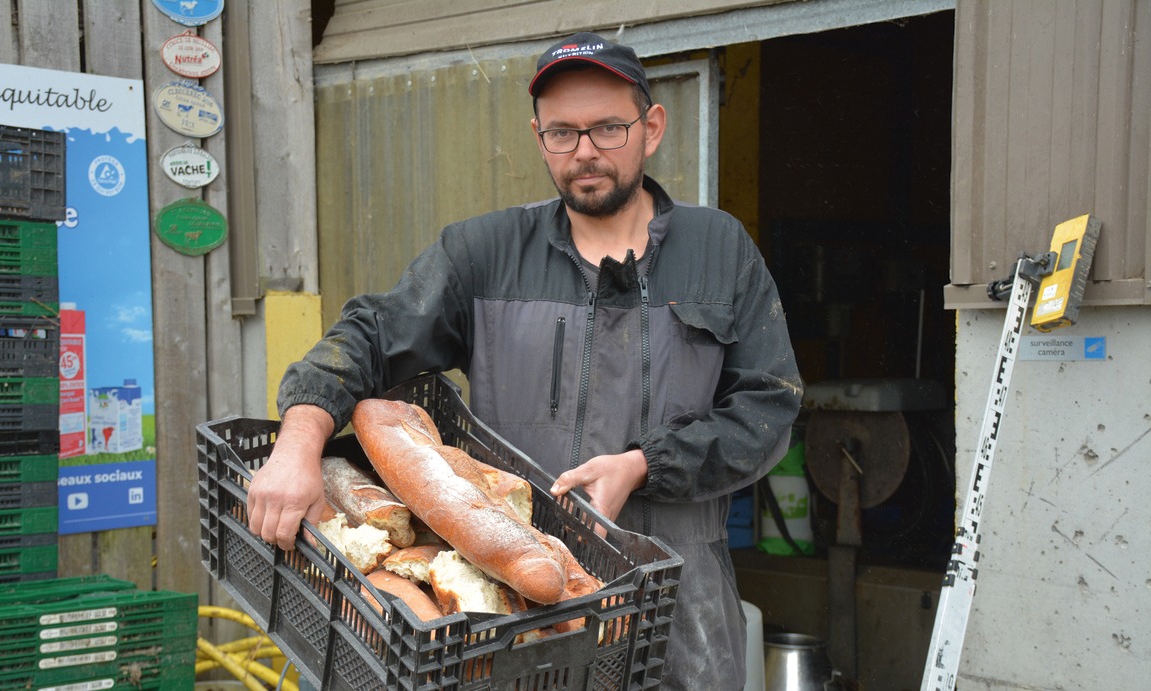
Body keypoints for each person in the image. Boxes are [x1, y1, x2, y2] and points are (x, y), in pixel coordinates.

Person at [248, 31, 803, 690]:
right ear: (539, 137)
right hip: (523, 620)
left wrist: (647, 463)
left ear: (652, 128)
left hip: (680, 612)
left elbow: (768, 407)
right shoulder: (485, 252)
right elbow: (369, 334)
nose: (586, 152)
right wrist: (298, 442)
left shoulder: (719, 249)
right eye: (563, 133)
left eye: (608, 128)